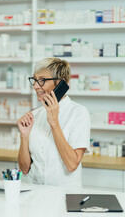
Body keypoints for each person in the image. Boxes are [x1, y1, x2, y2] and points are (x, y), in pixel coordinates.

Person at [17, 58, 90, 188]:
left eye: (42, 80)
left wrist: (54, 123)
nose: (35, 86)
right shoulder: (35, 115)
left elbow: (72, 164)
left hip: (64, 197)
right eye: (34, 80)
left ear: (60, 84)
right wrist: (24, 136)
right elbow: (24, 169)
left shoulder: (79, 113)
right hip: (34, 194)